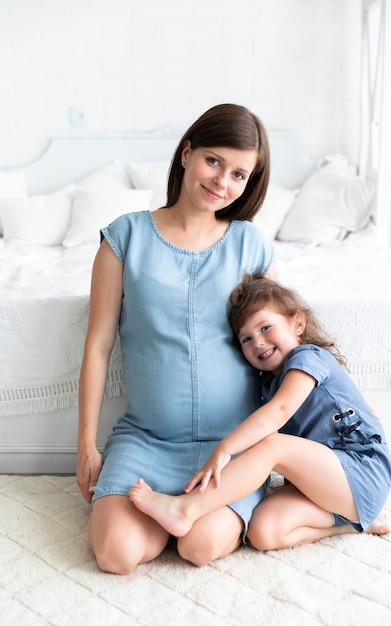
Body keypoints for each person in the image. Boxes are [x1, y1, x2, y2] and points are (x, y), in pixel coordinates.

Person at [76, 104, 275, 574]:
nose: (222, 182)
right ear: (187, 153)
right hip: (146, 439)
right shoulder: (124, 237)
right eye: (213, 161)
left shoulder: (251, 245)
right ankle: (160, 513)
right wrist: (86, 444)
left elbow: (273, 348)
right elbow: (98, 345)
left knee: (199, 546)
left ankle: (184, 514)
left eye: (239, 175)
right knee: (115, 554)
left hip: (229, 448)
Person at [129, 273, 391, 549]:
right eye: (246, 339)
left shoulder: (308, 357)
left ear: (298, 323)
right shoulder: (268, 384)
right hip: (332, 490)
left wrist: (225, 449)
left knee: (273, 445)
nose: (258, 342)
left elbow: (279, 412)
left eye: (265, 328)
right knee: (262, 532)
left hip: (362, 472)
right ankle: (350, 526)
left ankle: (185, 510)